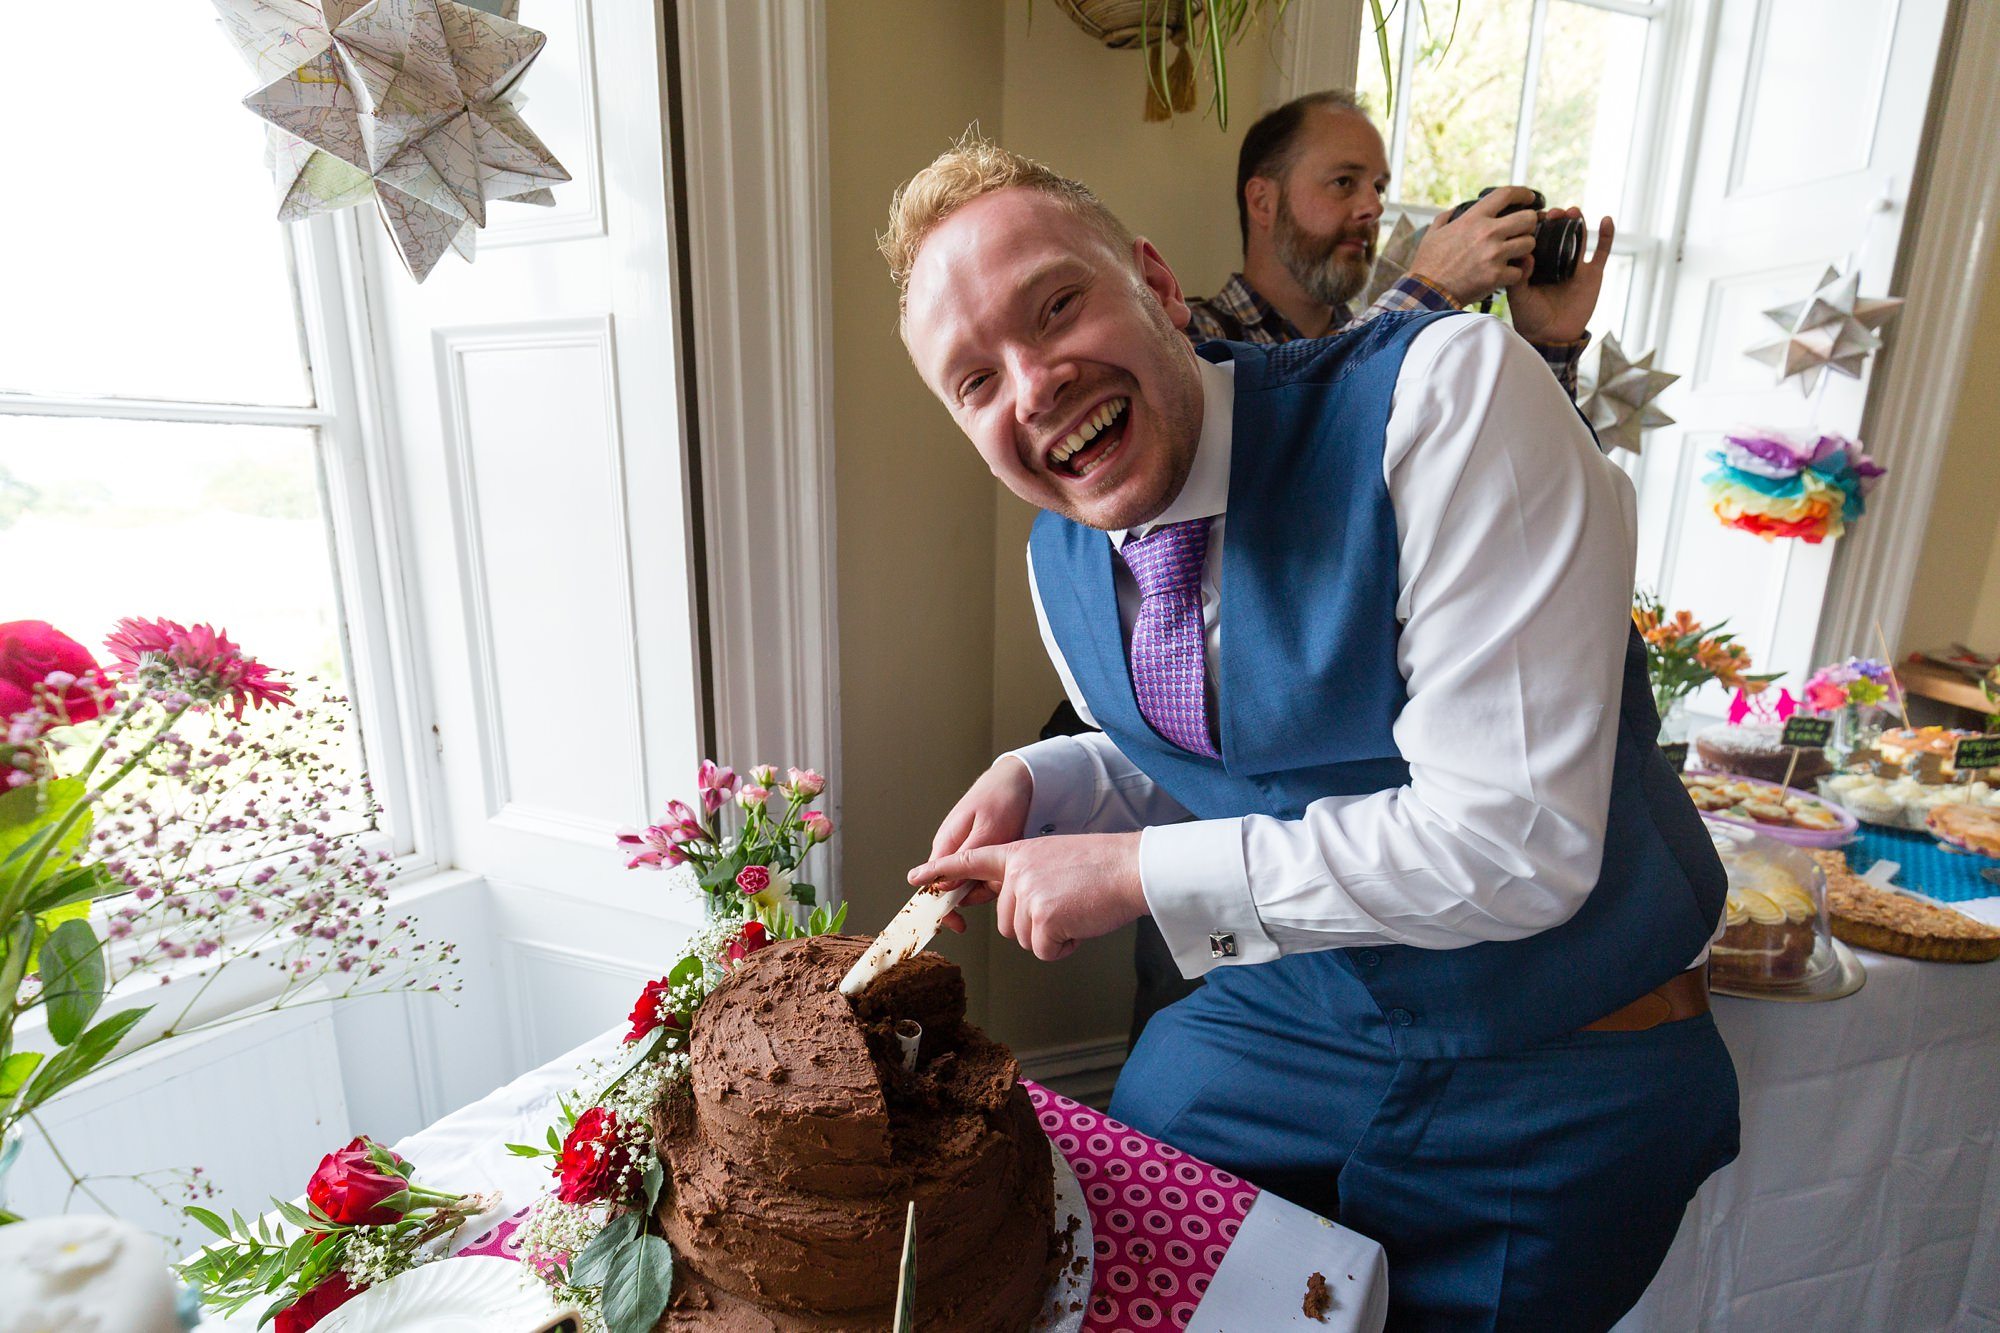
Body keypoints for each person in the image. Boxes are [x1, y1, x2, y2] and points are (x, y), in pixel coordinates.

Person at [882, 134, 1738, 1331]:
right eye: (975, 381)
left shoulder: (1449, 401)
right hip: (1298, 1018)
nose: (1032, 386)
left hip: (1563, 1052)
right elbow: (1217, 755)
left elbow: (1513, 846)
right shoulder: (1057, 562)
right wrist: (1051, 777)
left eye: (1057, 305)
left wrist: (1127, 873)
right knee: (1121, 1267)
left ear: (1157, 284)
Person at [1187, 90, 1610, 395]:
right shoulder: (1191, 336)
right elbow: (1290, 432)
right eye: (1343, 182)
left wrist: (1549, 346)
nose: (1373, 207)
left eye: (1379, 187)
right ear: (1264, 202)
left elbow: (1519, 486)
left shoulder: (1414, 350)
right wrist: (1432, 285)